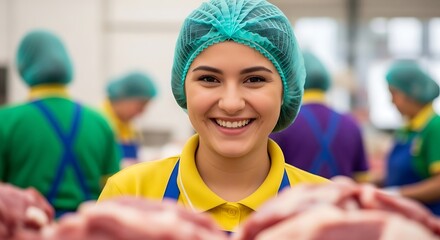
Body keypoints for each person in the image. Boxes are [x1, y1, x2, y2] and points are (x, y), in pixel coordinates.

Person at [98, 0, 328, 233]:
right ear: (183, 88)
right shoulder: (130, 194)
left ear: (285, 91)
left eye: (255, 79)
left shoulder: (325, 209)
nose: (230, 104)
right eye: (209, 79)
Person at [0, 30, 120, 218]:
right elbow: (114, 188)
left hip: (26, 228)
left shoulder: (6, 120)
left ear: (23, 67)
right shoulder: (100, 122)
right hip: (88, 229)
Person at [270, 51, 370, 182]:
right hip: (339, 201)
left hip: (293, 201)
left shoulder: (282, 123)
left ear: (291, 81)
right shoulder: (351, 124)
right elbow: (362, 179)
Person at [382, 60, 440, 216]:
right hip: (404, 217)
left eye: (394, 94)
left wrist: (396, 195)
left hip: (429, 220)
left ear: (412, 93)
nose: (391, 101)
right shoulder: (406, 130)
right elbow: (396, 176)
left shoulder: (435, 127)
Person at [102, 71, 158, 166]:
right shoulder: (101, 123)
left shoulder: (129, 126)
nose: (142, 112)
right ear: (123, 97)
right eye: (140, 105)